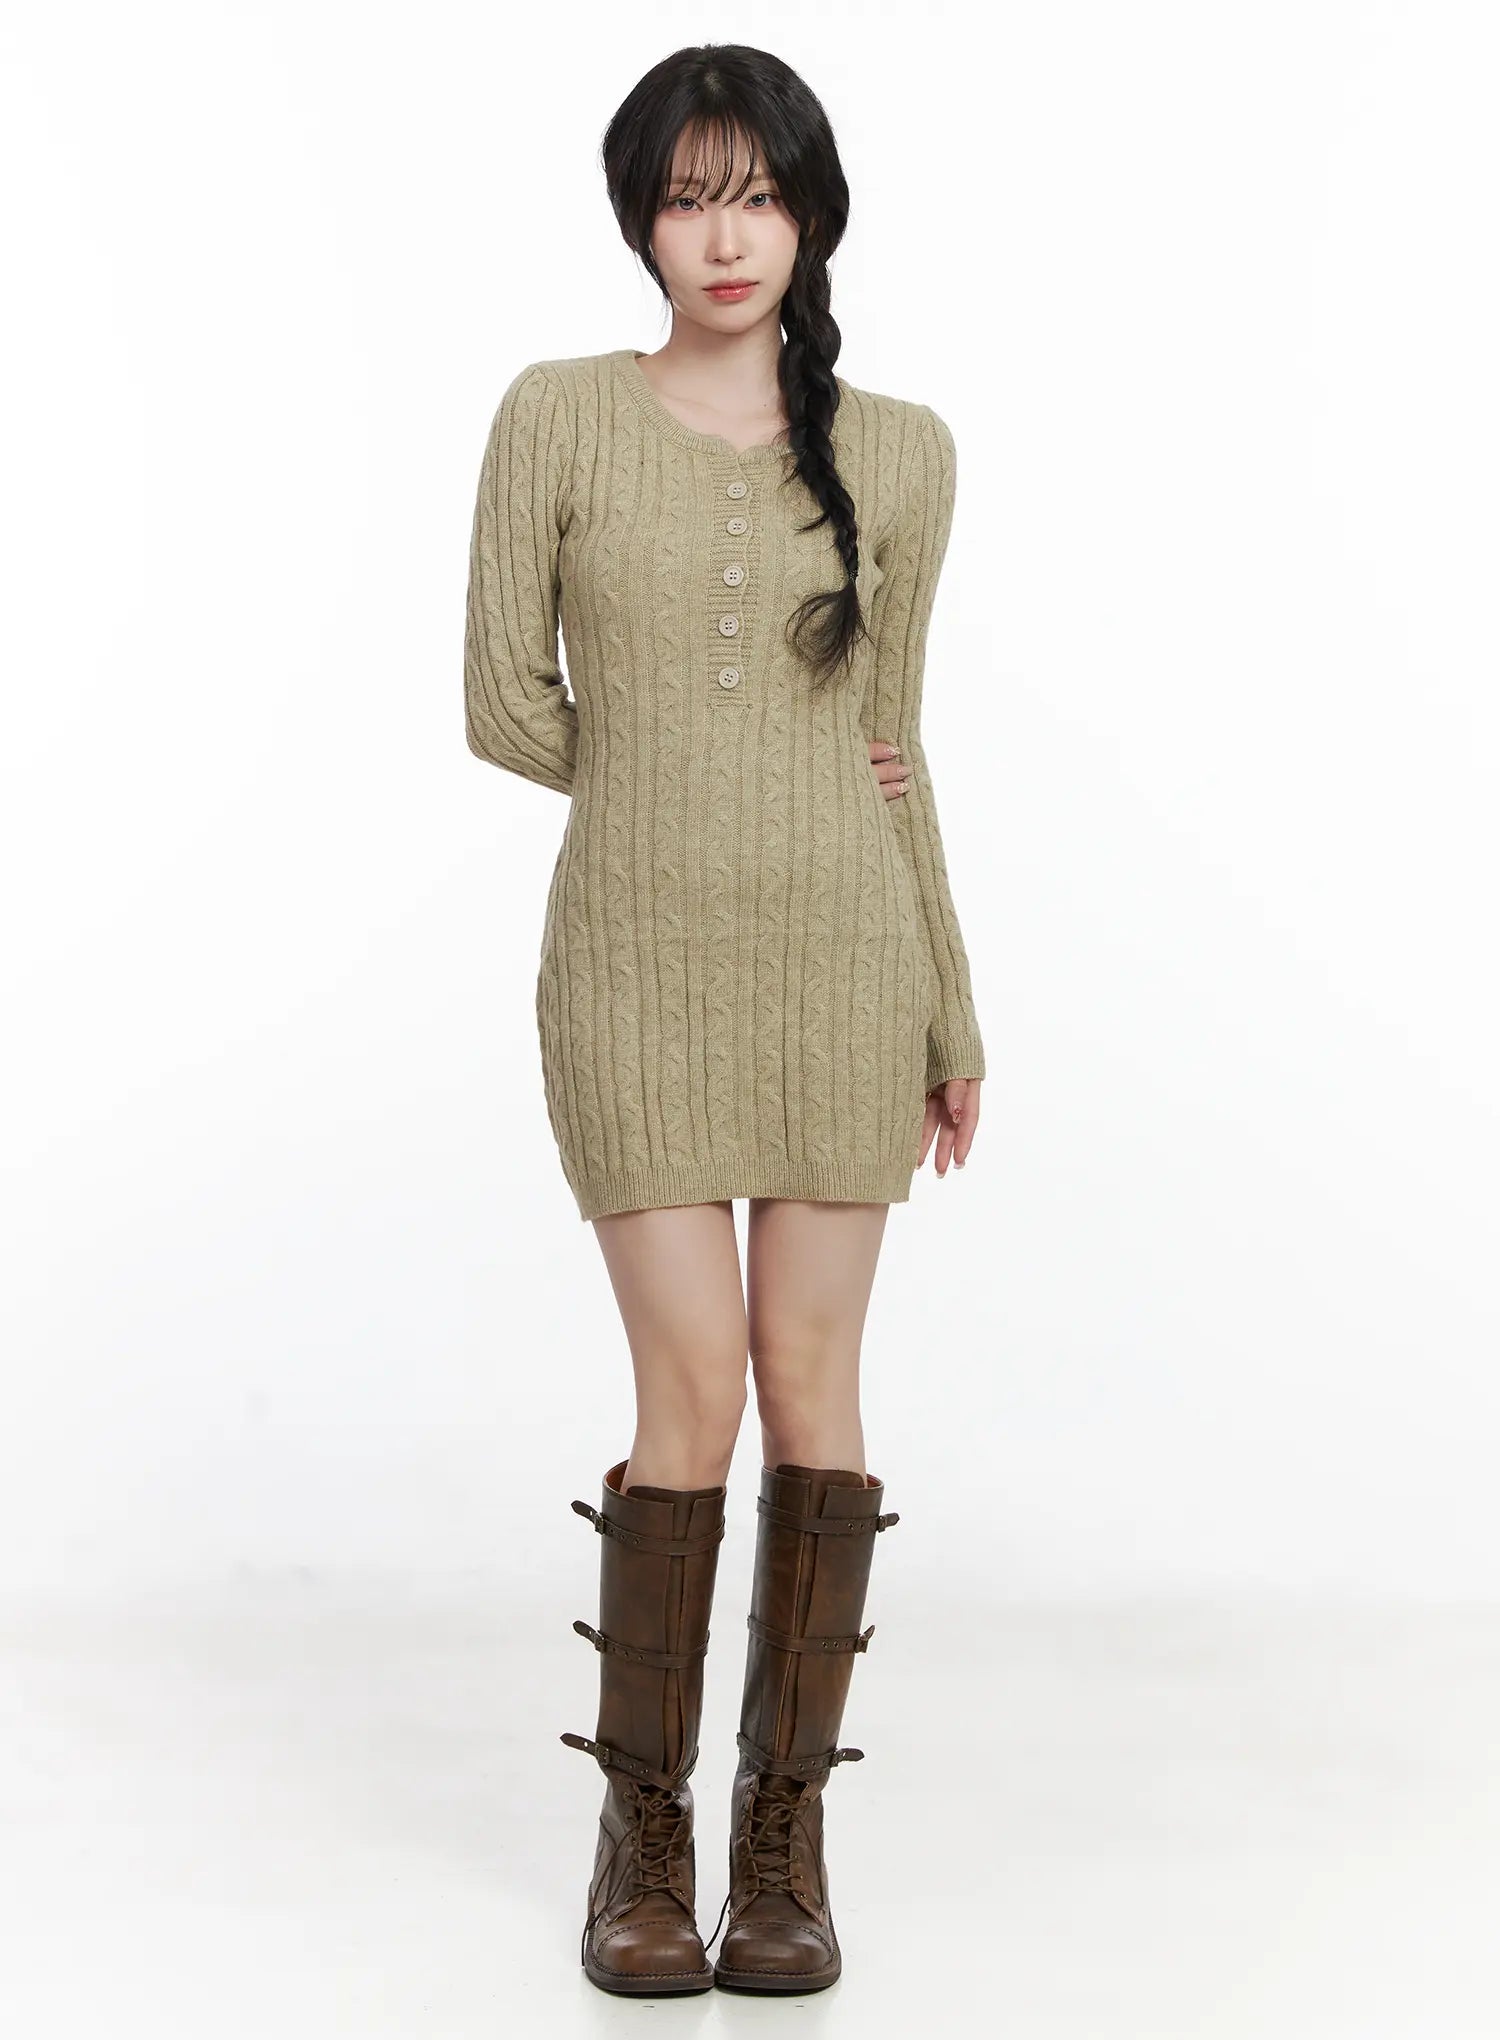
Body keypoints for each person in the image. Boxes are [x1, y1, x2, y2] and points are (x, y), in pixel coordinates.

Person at [462, 43, 986, 1997]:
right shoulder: (558, 416)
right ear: (641, 225)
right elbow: (502, 699)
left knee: (810, 1385)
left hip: (847, 968)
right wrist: (677, 785)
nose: (725, 234)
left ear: (812, 212)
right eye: (686, 199)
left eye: (756, 194)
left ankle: (783, 1846)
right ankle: (643, 1836)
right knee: (687, 1391)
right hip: (633, 964)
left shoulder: (904, 451)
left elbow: (893, 747)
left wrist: (950, 1003)